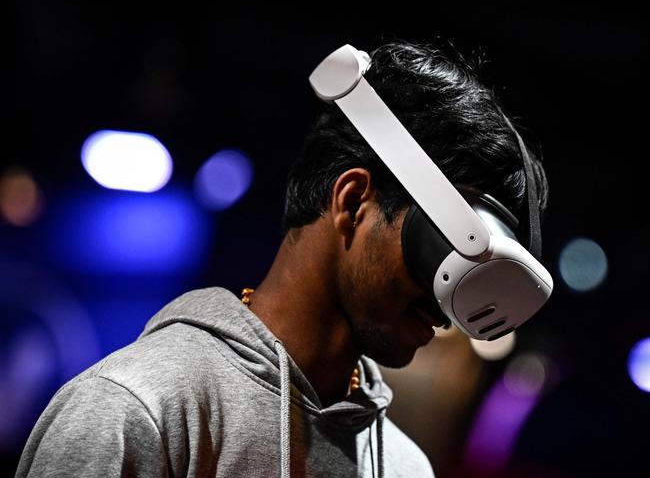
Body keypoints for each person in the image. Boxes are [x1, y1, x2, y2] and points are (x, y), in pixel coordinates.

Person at [16, 40, 548, 477]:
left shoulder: (407, 469)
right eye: (447, 252)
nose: (448, 303)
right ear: (352, 203)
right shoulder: (135, 413)